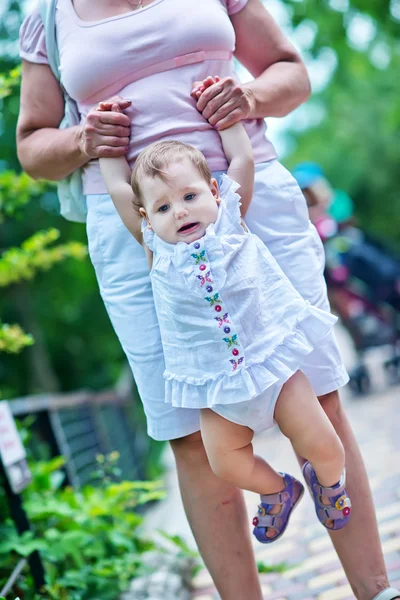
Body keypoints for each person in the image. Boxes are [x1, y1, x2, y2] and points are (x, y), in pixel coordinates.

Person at [16, 0, 399, 598]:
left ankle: (377, 590)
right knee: (191, 432)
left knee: (318, 394)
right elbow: (32, 147)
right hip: (136, 242)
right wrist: (82, 139)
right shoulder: (47, 15)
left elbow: (289, 71)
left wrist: (248, 100)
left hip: (255, 205)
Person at [98, 94, 351, 540]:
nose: (179, 211)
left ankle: (329, 485)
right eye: (162, 208)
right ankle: (277, 490)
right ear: (147, 219)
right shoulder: (156, 248)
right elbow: (120, 189)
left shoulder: (230, 220)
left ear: (214, 192)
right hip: (215, 387)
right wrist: (107, 147)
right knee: (225, 462)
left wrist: (228, 119)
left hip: (272, 366)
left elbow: (240, 158)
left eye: (190, 196)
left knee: (326, 445)